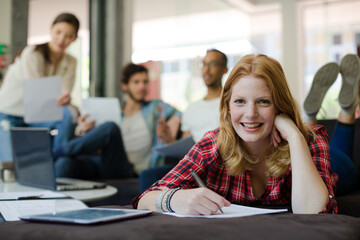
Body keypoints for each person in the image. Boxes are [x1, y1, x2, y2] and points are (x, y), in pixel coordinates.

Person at [133, 54, 337, 215]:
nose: (250, 114)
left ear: (279, 106)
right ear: (228, 106)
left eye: (263, 101)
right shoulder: (211, 145)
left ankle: (338, 115)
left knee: (349, 169)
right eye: (240, 101)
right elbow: (144, 199)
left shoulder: (308, 140)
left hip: (332, 167)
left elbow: (315, 213)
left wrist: (293, 134)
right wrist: (174, 199)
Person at [54, 63, 181, 179]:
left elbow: (180, 113)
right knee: (64, 163)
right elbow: (98, 142)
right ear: (124, 85)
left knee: (111, 127)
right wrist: (84, 131)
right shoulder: (115, 111)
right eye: (136, 82)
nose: (142, 86)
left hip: (128, 169)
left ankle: (55, 152)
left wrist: (174, 121)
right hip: (104, 161)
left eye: (145, 82)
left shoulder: (155, 108)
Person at [140, 49, 228, 191]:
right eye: (203, 64)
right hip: (194, 166)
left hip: (218, 165)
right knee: (148, 176)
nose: (206, 69)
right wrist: (170, 139)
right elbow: (186, 148)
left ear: (224, 69)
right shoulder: (191, 108)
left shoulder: (230, 103)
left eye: (212, 64)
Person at [0, 13, 80, 161]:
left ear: (74, 38)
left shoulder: (71, 61)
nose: (62, 39)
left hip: (37, 115)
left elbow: (64, 93)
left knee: (68, 115)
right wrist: (61, 99)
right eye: (58, 32)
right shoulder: (33, 52)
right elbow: (37, 93)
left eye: (69, 35)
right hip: (11, 112)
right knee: (9, 166)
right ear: (51, 30)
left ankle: (59, 162)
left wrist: (67, 101)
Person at [303, 53, 360, 195]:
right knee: (325, 155)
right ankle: (309, 118)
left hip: (314, 164)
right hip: (317, 160)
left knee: (324, 157)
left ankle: (347, 110)